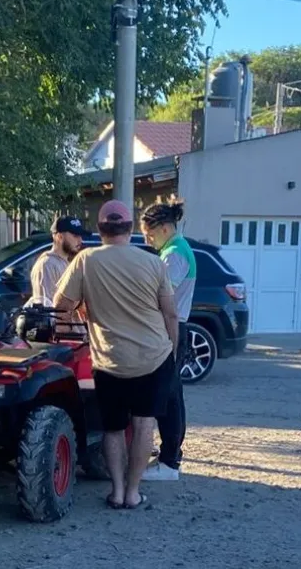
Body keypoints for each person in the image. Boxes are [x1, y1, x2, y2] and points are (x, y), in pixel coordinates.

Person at [53, 200, 178, 510]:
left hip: (109, 359)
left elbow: (60, 305)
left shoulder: (85, 260)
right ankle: (134, 493)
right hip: (153, 356)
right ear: (131, 229)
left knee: (112, 427)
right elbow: (171, 314)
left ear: (99, 230)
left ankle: (117, 491)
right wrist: (172, 349)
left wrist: (81, 317)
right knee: (144, 422)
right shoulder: (153, 262)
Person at [139, 202, 195, 482]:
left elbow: (161, 296)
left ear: (163, 228)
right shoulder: (176, 249)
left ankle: (170, 461)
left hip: (171, 328)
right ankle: (169, 457)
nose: (148, 240)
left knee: (169, 397)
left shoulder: (174, 255)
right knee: (172, 394)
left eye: (149, 234)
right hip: (174, 326)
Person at [30, 215, 91, 306]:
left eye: (80, 236)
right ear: (59, 237)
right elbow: (49, 309)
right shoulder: (47, 265)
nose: (80, 240)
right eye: (75, 236)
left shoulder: (68, 262)